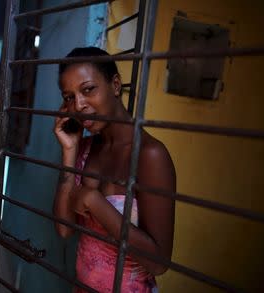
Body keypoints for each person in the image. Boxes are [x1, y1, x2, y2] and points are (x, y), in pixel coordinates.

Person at [53, 47, 176, 292]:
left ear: (116, 85)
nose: (78, 105)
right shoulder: (85, 148)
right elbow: (64, 229)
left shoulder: (149, 155)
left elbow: (159, 263)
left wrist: (93, 200)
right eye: (69, 97)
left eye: (88, 90)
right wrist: (69, 150)